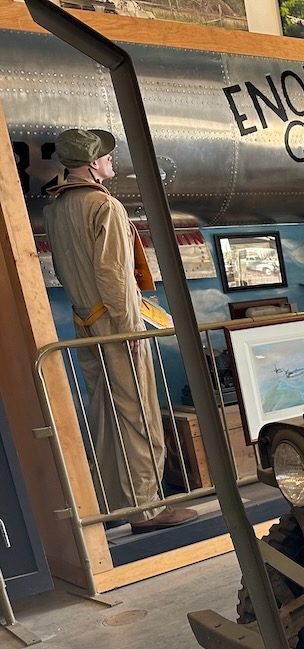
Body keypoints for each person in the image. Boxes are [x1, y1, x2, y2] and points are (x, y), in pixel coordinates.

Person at [44, 128, 197, 535]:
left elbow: (62, 270)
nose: (111, 163)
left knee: (105, 413)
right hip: (115, 323)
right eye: (106, 157)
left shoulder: (55, 208)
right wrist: (131, 330)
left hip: (85, 322)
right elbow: (113, 275)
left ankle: (115, 504)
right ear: (92, 164)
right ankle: (147, 509)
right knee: (138, 415)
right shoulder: (104, 206)